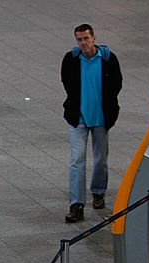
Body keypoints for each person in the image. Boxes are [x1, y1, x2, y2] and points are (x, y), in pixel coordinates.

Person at [61, 24, 122, 223]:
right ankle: (76, 204)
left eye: (86, 38)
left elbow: (116, 84)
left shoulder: (108, 59)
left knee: (101, 158)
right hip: (77, 118)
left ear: (94, 38)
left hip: (101, 119)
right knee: (77, 160)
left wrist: (109, 109)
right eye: (79, 39)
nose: (83, 43)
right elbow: (66, 82)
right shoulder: (71, 60)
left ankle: (98, 191)